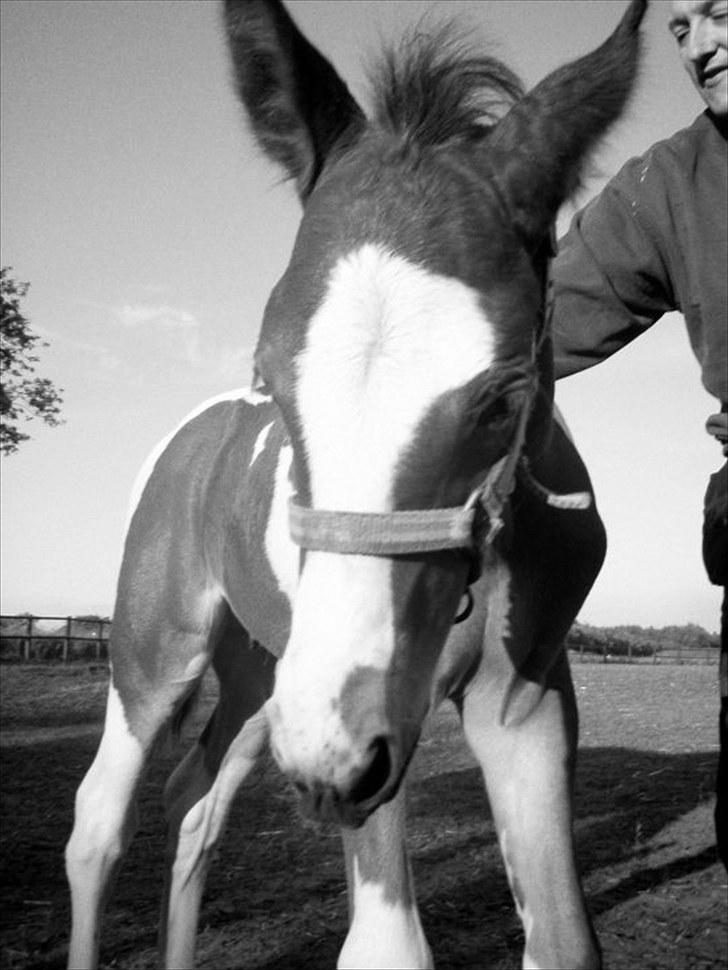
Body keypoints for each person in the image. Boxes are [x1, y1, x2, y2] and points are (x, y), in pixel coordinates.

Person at [549, 0, 727, 867]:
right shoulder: (671, 183)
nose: (701, 46)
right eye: (682, 29)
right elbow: (531, 321)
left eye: (721, 13)